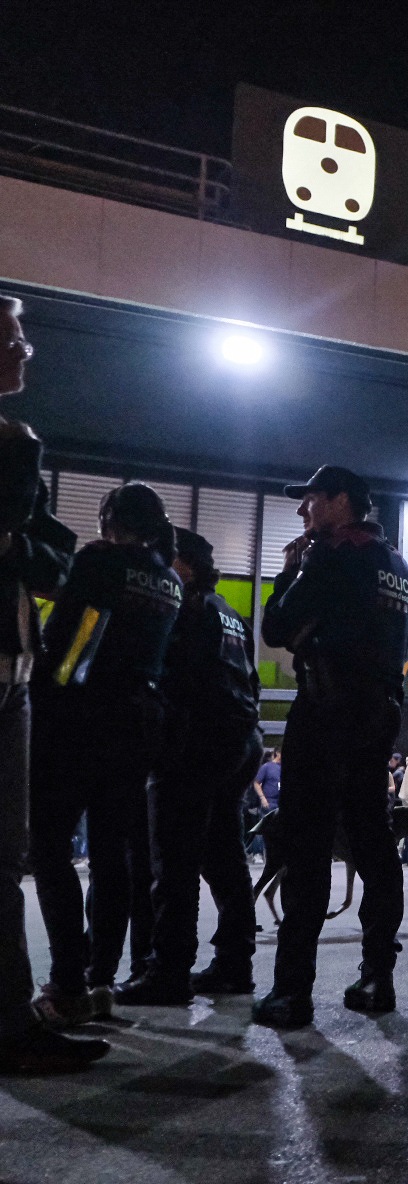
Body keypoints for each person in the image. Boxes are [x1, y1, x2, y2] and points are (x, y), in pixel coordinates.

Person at [253, 465, 408, 1028]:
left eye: (313, 500)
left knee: (306, 846)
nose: (304, 512)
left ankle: (292, 991)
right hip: (377, 715)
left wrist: (289, 570)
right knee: (374, 844)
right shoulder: (395, 563)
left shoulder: (329, 555)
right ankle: (377, 976)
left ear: (343, 502)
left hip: (324, 713)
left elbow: (276, 628)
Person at [29, 482, 181, 1029]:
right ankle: (101, 979)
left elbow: (68, 643)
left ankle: (67, 980)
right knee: (112, 855)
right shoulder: (168, 581)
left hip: (80, 718)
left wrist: (40, 695)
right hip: (140, 722)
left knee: (49, 846)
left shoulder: (99, 563)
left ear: (109, 520)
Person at [0, 293, 105, 1073]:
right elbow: (41, 557)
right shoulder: (13, 442)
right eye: (14, 336)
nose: (26, 350)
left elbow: (44, 557)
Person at [116, 527, 262, 1005]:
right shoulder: (228, 613)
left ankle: (169, 970)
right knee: (224, 857)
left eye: (164, 559)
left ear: (185, 564)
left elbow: (162, 673)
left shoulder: (182, 606)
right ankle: (235, 962)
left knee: (173, 862)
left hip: (191, 743)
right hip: (237, 741)